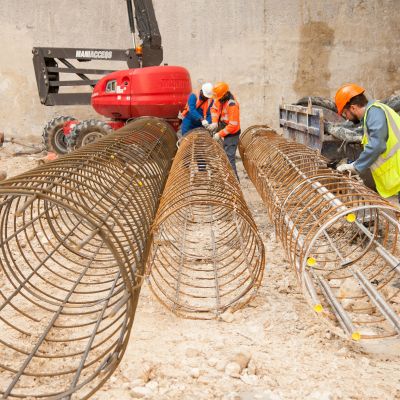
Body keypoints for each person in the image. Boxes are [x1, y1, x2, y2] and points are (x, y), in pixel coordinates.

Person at [335, 83, 400, 205]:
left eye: (345, 113)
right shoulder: (372, 114)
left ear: (353, 108)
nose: (347, 118)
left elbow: (377, 145)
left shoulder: (374, 113)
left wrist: (355, 166)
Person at [207, 82, 241, 180]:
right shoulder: (220, 98)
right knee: (224, 155)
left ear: (225, 94)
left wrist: (219, 134)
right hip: (223, 127)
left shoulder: (232, 104)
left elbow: (233, 126)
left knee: (229, 159)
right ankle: (226, 177)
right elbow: (214, 109)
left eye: (219, 97)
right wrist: (214, 123)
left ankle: (235, 183)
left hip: (232, 134)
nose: (217, 99)